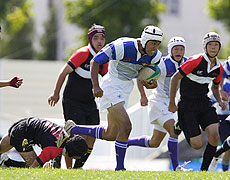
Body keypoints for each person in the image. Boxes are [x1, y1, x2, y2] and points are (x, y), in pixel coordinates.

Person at [57, 25, 163, 170]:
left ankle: (73, 129)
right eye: (153, 43)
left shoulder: (155, 56)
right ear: (144, 40)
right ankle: (120, 168)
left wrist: (150, 84)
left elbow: (147, 78)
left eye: (158, 44)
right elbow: (95, 61)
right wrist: (95, 86)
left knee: (111, 134)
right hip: (111, 84)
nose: (155, 47)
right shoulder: (122, 46)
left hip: (126, 88)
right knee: (126, 126)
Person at [127, 37, 192, 171]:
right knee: (174, 132)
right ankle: (176, 168)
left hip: (169, 105)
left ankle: (126, 143)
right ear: (170, 50)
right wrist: (143, 96)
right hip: (158, 104)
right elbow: (141, 77)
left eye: (181, 49)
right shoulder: (162, 63)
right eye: (176, 49)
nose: (179, 51)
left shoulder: (186, 63)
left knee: (154, 142)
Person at [48, 24, 108, 168]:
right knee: (76, 136)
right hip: (72, 101)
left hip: (89, 102)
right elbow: (63, 72)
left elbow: (107, 79)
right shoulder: (83, 53)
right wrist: (55, 93)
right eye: (96, 38)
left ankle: (77, 168)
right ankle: (62, 162)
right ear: (90, 39)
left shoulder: (103, 58)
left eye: (102, 38)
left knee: (92, 136)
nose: (99, 41)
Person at [168, 32, 227, 171]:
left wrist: (219, 101)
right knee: (197, 145)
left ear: (219, 48)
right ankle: (180, 123)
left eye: (216, 45)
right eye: (210, 45)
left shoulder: (218, 68)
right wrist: (172, 102)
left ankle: (203, 171)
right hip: (187, 105)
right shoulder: (195, 61)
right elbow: (175, 78)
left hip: (204, 103)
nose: (213, 48)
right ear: (205, 47)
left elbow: (214, 87)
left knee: (214, 136)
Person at [0, 117, 88, 168]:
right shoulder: (54, 149)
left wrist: (70, 171)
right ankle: (7, 162)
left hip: (27, 123)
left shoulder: (72, 136)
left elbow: (68, 154)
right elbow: (34, 167)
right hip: (23, 134)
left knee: (1, 148)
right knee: (36, 168)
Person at [209, 57, 230, 171]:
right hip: (223, 117)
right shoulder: (225, 85)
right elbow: (212, 99)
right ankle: (225, 171)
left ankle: (218, 153)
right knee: (228, 148)